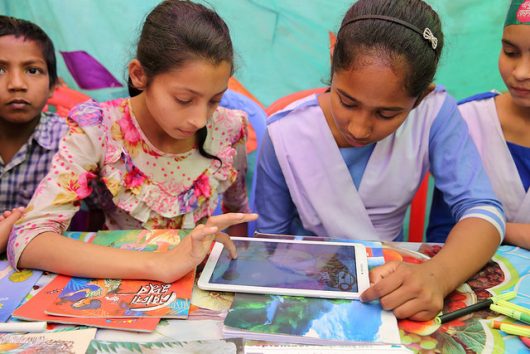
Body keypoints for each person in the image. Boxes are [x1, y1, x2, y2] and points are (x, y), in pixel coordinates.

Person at [255, 0, 505, 321]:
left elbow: (482, 210)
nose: (359, 128)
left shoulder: (435, 113)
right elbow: (268, 243)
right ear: (333, 58)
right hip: (310, 289)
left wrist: (438, 275)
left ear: (421, 98)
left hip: (398, 284)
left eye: (387, 114)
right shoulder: (285, 134)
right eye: (346, 101)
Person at [7, 0, 257, 283]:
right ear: (139, 75)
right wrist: (159, 264)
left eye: (215, 99)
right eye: (184, 100)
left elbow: (236, 214)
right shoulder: (99, 128)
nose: (200, 120)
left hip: (196, 289)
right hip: (117, 286)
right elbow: (28, 238)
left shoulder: (229, 128)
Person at [428, 0, 530, 250]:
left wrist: (489, 228)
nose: (520, 72)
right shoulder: (465, 121)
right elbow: (443, 233)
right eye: (510, 52)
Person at [0, 16, 68, 237]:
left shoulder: (71, 141)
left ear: (53, 86)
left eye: (32, 70)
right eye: (0, 70)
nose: (17, 84)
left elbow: (105, 215)